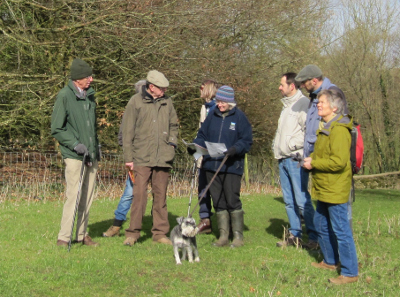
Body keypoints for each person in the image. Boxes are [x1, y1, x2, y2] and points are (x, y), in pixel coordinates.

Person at [303, 89, 358, 284]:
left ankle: (350, 272)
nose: (318, 104)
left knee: (341, 230)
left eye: (322, 102)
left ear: (334, 107)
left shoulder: (340, 130)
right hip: (324, 187)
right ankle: (330, 261)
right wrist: (312, 159)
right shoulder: (326, 126)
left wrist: (314, 163)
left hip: (335, 188)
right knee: (320, 224)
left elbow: (339, 162)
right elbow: (326, 155)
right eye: (318, 102)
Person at [122, 70, 178, 246]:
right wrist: (128, 157)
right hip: (141, 157)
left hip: (163, 157)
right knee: (139, 196)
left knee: (160, 196)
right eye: (161, 88)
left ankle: (160, 233)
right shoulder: (135, 102)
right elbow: (127, 131)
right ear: (151, 87)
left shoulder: (167, 102)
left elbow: (174, 125)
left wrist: (172, 144)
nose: (164, 91)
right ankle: (132, 233)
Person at [192, 85, 252, 248]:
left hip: (231, 165)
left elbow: (246, 140)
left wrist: (235, 149)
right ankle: (223, 236)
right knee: (218, 200)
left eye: (223, 102)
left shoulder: (239, 117)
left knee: (232, 199)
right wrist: (197, 145)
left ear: (230, 102)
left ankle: (238, 236)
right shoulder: (212, 116)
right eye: (218, 101)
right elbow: (202, 135)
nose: (219, 104)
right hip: (211, 164)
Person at [51, 58, 100, 247]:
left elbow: (92, 126)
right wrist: (75, 144)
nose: (91, 79)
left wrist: (96, 146)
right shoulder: (64, 96)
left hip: (91, 154)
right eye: (88, 76)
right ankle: (64, 237)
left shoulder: (90, 96)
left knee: (87, 197)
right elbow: (57, 128)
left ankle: (82, 234)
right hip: (74, 155)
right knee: (74, 195)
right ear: (77, 78)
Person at [273, 73, 318, 249]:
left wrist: (292, 145)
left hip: (295, 158)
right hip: (282, 158)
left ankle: (315, 238)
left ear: (292, 86)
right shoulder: (286, 106)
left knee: (301, 200)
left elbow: (310, 134)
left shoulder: (303, 105)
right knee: (289, 200)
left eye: (281, 84)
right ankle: (295, 235)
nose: (279, 87)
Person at [102, 79, 146, 237]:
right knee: (129, 192)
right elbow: (123, 136)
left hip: (152, 158)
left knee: (157, 194)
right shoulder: (132, 108)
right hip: (135, 159)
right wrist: (130, 154)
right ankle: (117, 225)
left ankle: (157, 229)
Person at [195, 79, 218, 234]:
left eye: (201, 88)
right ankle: (205, 219)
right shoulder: (204, 107)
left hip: (215, 154)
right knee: (202, 186)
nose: (199, 91)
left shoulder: (217, 107)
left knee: (215, 187)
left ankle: (223, 221)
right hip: (203, 152)